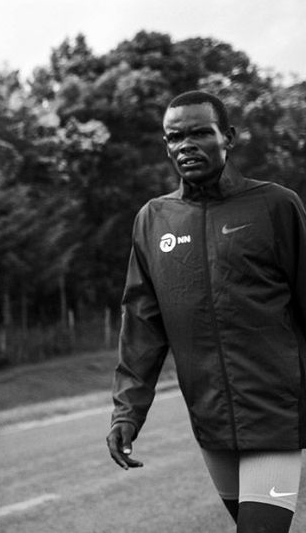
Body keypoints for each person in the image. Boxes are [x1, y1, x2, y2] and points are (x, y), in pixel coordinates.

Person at [107, 90, 306, 532]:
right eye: (174, 137)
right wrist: (127, 412)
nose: (185, 145)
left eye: (200, 132)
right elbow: (142, 326)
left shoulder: (275, 205)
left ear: (228, 137)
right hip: (211, 419)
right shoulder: (154, 219)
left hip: (275, 412)